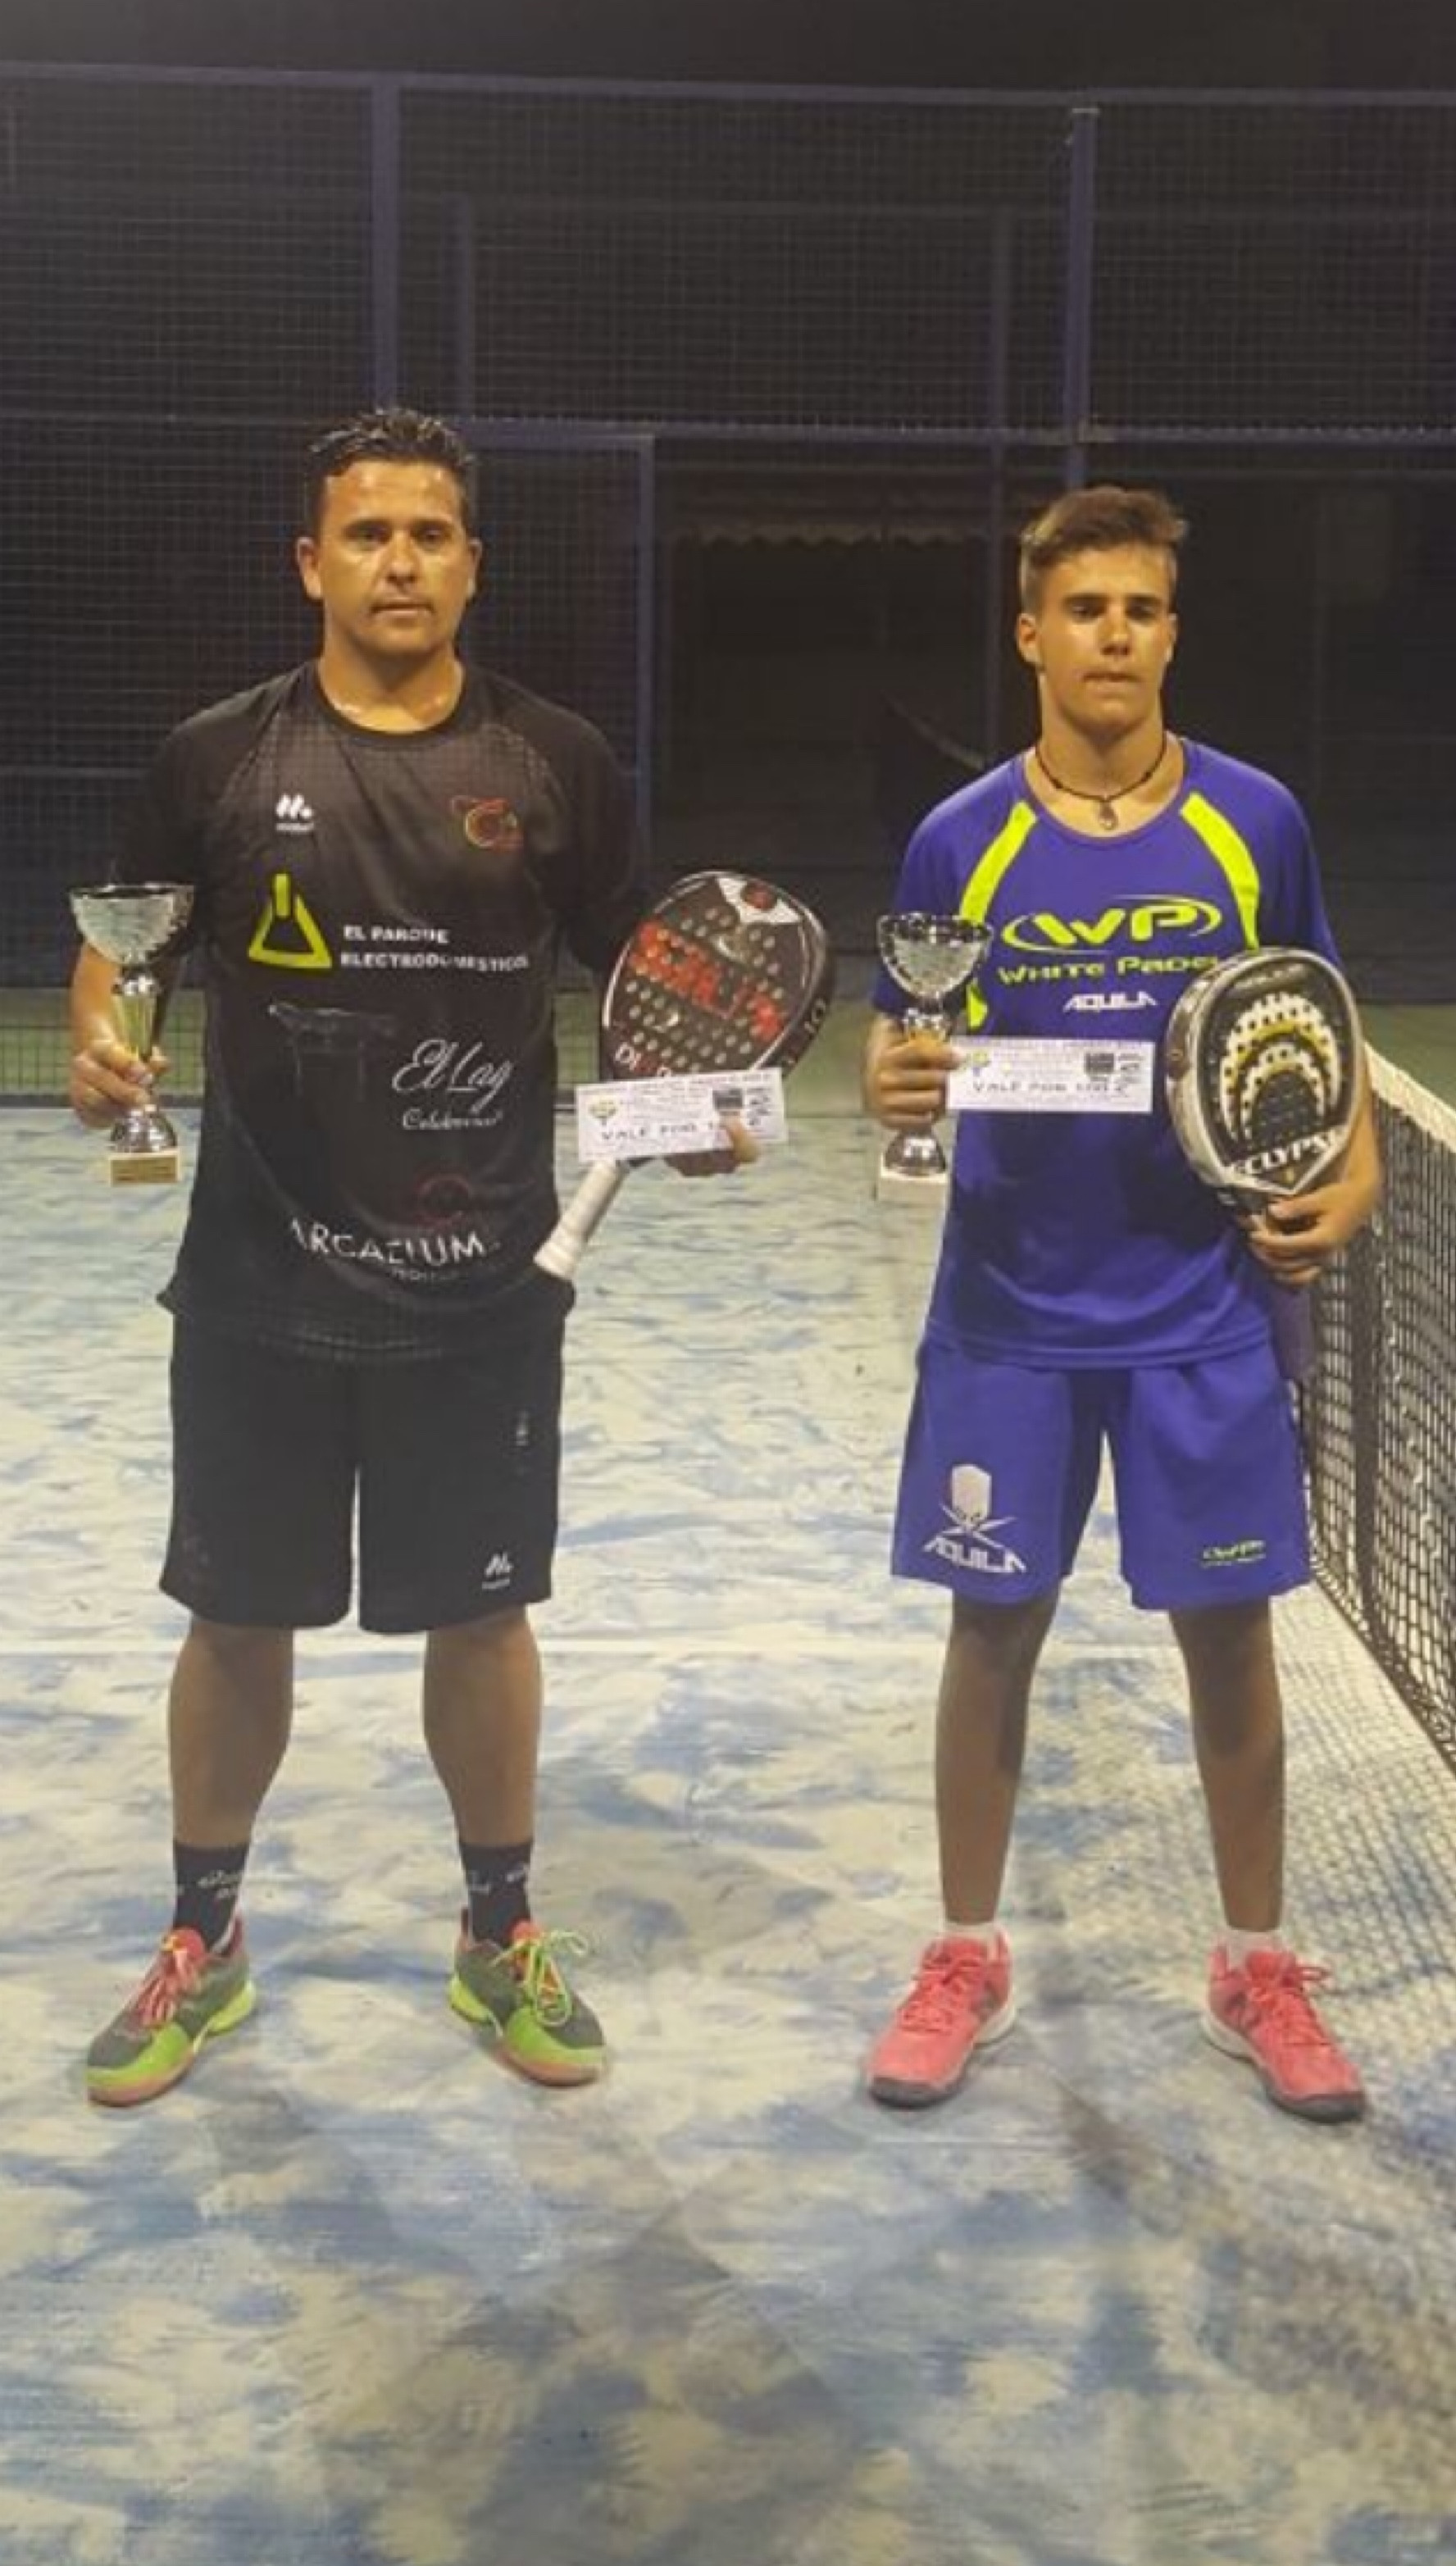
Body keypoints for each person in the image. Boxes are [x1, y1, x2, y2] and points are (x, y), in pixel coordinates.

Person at [71, 405, 749, 2107]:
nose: (399, 561)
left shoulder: (554, 763)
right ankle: (204, 1938)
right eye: (367, 534)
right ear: (311, 563)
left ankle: (499, 1929)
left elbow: (654, 980)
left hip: (482, 1285)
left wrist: (708, 1103)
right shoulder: (218, 759)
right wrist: (103, 1039)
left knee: (483, 1612)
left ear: (470, 563)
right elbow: (127, 944)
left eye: (429, 534)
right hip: (260, 1280)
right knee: (237, 1615)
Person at [862, 485, 1382, 2124]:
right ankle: (965, 1951)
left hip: (1204, 1311)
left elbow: (1320, 1017)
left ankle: (1255, 1963)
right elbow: (906, 1039)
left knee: (1230, 1640)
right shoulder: (961, 840)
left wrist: (1356, 1177)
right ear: (1031, 632)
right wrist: (893, 1081)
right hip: (1009, 1315)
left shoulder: (1255, 822)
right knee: (991, 1632)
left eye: (1141, 610)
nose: (1114, 636)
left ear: (1171, 633)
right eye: (1084, 610)